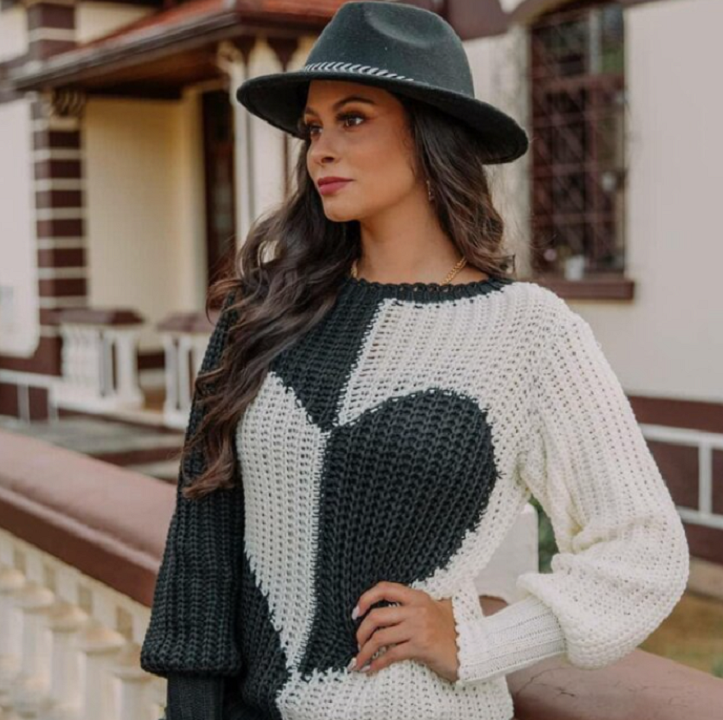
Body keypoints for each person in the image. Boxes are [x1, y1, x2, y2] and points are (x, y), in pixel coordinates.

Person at [139, 3, 690, 719]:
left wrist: (476, 640)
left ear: (431, 135)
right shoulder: (263, 311)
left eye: (353, 118)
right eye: (313, 127)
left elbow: (644, 551)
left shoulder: (529, 332)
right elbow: (203, 531)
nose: (320, 150)